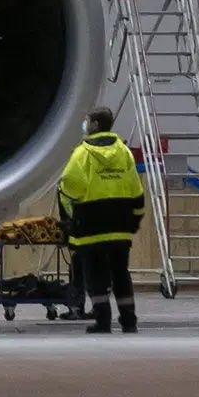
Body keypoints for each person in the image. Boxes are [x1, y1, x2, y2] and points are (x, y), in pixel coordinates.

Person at [57, 108, 147, 334]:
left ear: (95, 125)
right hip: (120, 228)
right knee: (121, 274)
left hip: (92, 227)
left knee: (96, 277)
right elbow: (136, 189)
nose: (85, 124)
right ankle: (129, 321)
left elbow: (68, 182)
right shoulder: (124, 152)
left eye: (87, 121)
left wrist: (72, 216)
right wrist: (134, 219)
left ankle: (103, 321)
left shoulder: (83, 153)